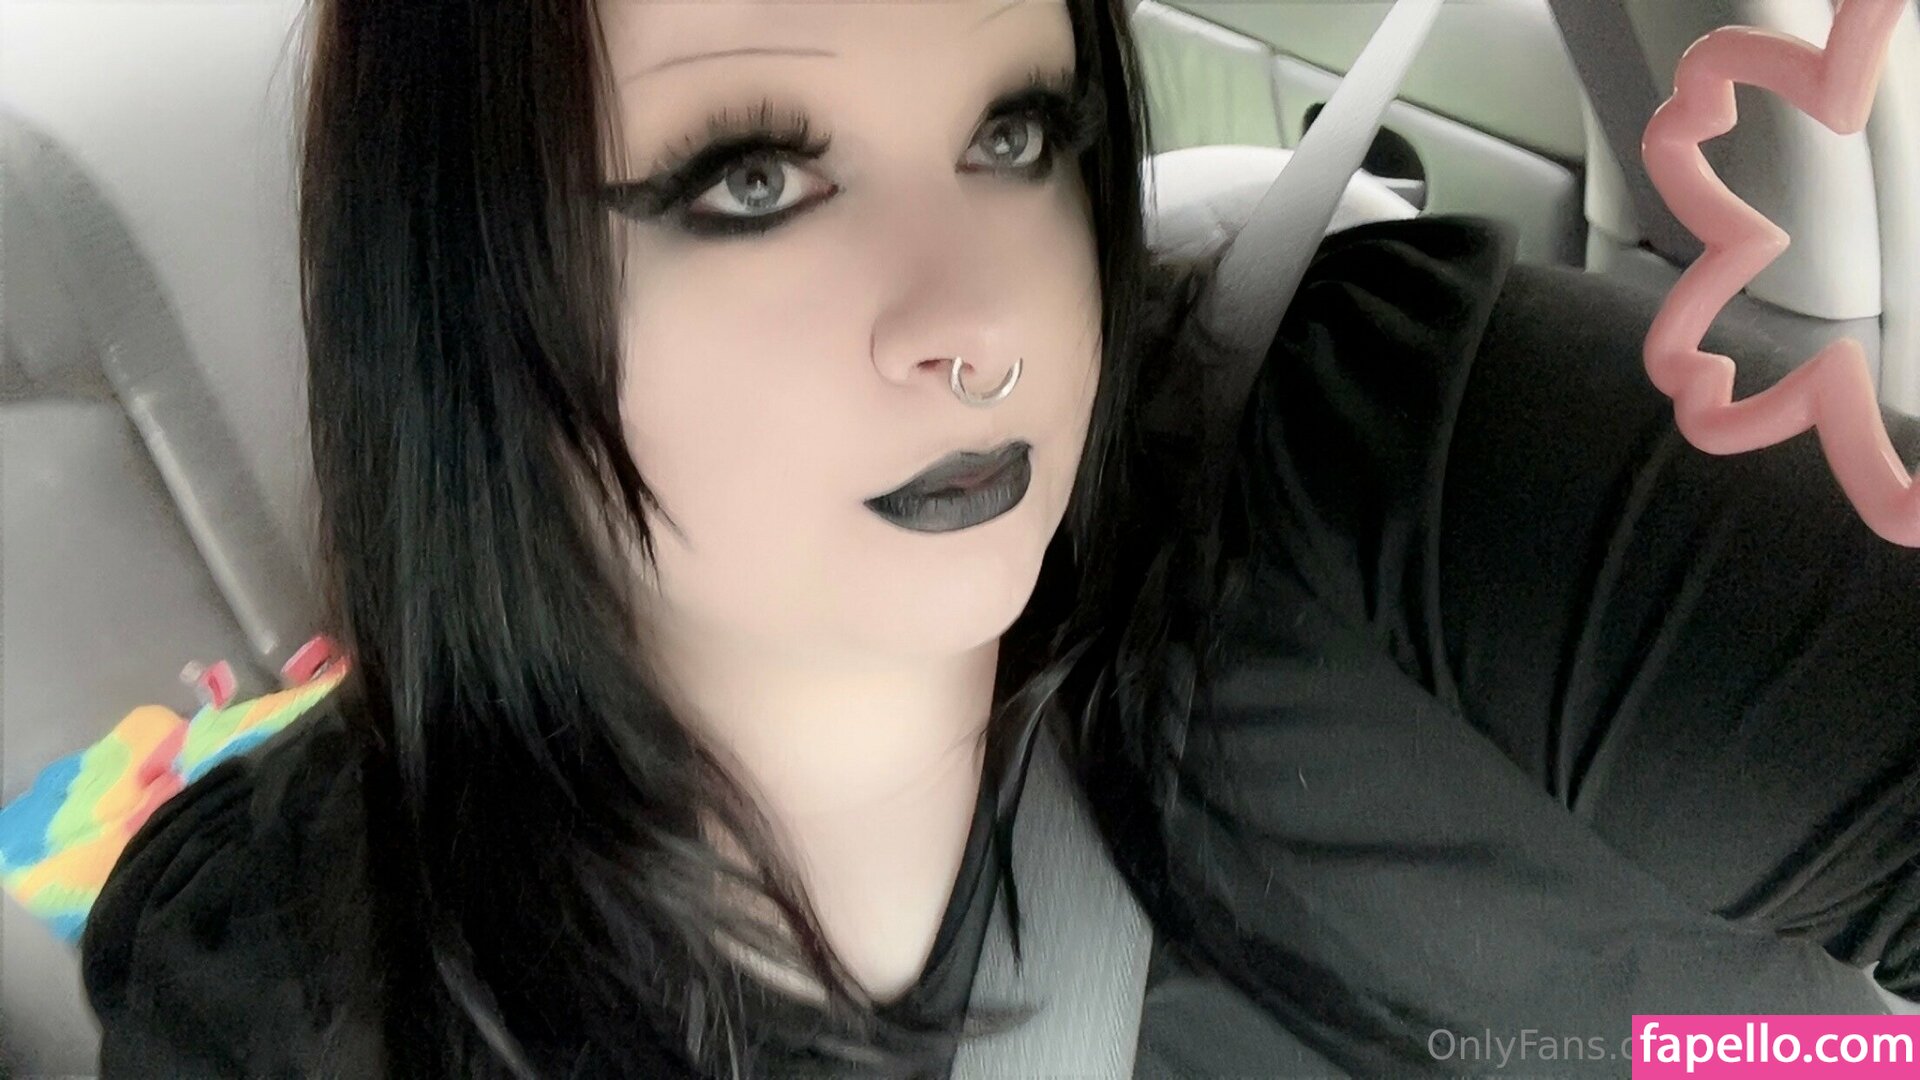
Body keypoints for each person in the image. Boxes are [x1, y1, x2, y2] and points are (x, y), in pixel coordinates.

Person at [52, 0, 1920, 1076]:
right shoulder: (289, 981)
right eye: (754, 180)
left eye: (1018, 136)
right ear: (460, 298)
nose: (984, 328)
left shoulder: (1405, 465)